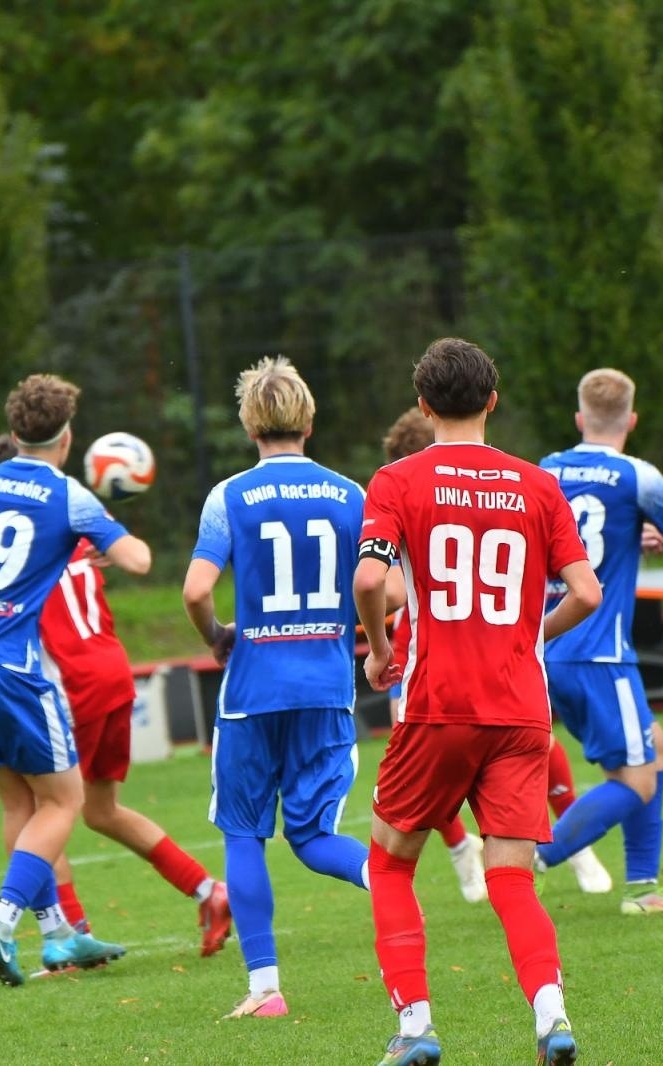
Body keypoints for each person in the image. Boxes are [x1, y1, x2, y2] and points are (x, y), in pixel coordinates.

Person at [355, 338, 600, 1066]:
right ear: (493, 401)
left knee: (392, 863)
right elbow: (586, 591)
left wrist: (377, 650)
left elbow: (371, 583)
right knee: (511, 877)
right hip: (523, 709)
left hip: (438, 703)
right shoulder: (536, 485)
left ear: (424, 406)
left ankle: (418, 1028)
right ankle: (552, 1018)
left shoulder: (398, 480)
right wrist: (531, 635)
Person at [0, 435, 233, 957]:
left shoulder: (13, 554)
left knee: (38, 808)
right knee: (100, 810)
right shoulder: (70, 530)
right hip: (112, 672)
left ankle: (65, 934)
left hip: (68, 681)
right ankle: (209, 890)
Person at [0, 375, 149, 987]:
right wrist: (106, 533)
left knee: (19, 803)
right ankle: (2, 921)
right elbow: (139, 561)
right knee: (64, 800)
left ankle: (56, 934)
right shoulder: (69, 494)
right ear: (68, 434)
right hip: (9, 669)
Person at [182, 356, 372, 1020]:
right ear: (310, 419)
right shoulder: (353, 495)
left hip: (253, 689)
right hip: (326, 685)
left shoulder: (229, 495)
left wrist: (215, 636)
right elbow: (392, 587)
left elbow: (197, 590)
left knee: (243, 833)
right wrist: (365, 630)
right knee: (315, 838)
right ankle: (387, 882)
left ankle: (265, 989)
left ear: (247, 423)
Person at [534, 368, 663, 915]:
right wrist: (656, 523)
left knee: (653, 747)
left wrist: (634, 535)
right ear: (632, 419)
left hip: (546, 643)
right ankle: (536, 855)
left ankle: (642, 888)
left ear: (580, 418)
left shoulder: (542, 473)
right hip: (600, 651)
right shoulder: (639, 476)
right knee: (639, 777)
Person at [379, 408, 488, 903]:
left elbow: (391, 591)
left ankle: (567, 846)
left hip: (451, 643)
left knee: (444, 757)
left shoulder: (416, 491)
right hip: (426, 644)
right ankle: (463, 846)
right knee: (428, 763)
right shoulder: (405, 490)